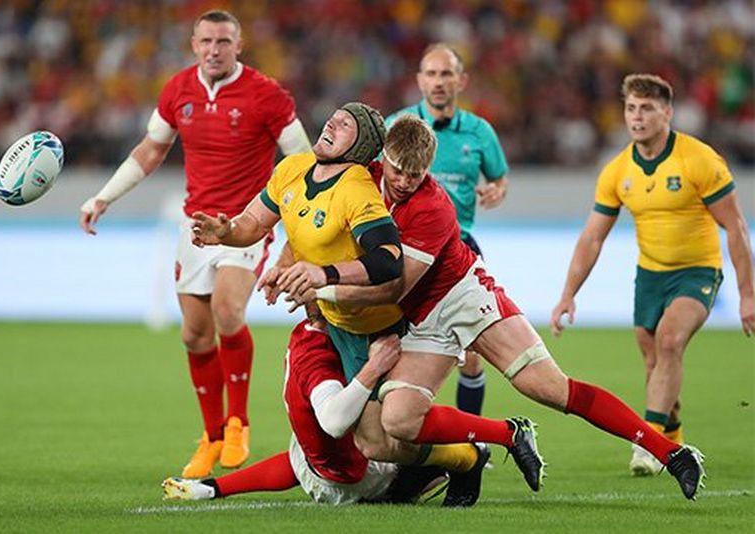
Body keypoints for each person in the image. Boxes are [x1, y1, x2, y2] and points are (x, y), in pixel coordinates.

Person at [275, 114, 706, 500]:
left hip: (462, 297)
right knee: (399, 422)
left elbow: (390, 289)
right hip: (419, 320)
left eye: (415, 173)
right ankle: (500, 438)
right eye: (397, 170)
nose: (405, 181)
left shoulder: (432, 207)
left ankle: (672, 453)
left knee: (550, 389)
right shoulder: (358, 180)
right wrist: (287, 262)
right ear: (381, 158)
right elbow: (313, 220)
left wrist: (321, 287)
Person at [190, 103, 545, 507]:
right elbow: (255, 225)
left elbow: (386, 261)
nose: (332, 122)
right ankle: (464, 459)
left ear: (361, 148)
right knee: (378, 442)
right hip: (336, 321)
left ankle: (489, 443)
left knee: (387, 431)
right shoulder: (291, 169)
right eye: (335, 117)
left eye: (346, 124)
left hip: (372, 325)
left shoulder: (358, 189)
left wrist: (321, 278)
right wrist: (227, 232)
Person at [78, 9, 312, 477]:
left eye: (223, 41)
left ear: (238, 45)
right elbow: (149, 150)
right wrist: (103, 196)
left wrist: (302, 228)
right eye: (206, 41)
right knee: (193, 334)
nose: (214, 49)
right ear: (193, 44)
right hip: (195, 226)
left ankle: (239, 422)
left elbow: (303, 161)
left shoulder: (267, 95)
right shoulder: (178, 90)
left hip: (246, 224)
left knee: (229, 311)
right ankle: (211, 436)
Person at [550, 73, 754, 476]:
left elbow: (736, 227)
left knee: (670, 339)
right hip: (650, 275)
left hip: (698, 270)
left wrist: (747, 295)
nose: (637, 117)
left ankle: (648, 442)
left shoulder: (699, 160)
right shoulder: (617, 171)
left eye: (647, 108)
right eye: (631, 108)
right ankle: (673, 438)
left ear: (667, 113)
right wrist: (567, 293)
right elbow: (592, 238)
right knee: (652, 357)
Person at [162, 320, 448, 505]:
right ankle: (469, 451)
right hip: (352, 475)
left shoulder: (306, 337)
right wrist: (373, 369)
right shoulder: (319, 352)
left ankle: (210, 488)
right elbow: (336, 424)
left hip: (324, 458)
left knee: (310, 458)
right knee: (401, 426)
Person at [386, 43, 510, 417]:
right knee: (392, 342)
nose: (439, 82)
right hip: (404, 247)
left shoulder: (479, 132)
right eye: (432, 74)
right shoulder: (397, 125)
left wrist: (495, 191)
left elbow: (500, 178)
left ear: (461, 80)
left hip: (460, 246)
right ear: (419, 80)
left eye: (446, 74)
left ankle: (473, 441)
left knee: (472, 354)